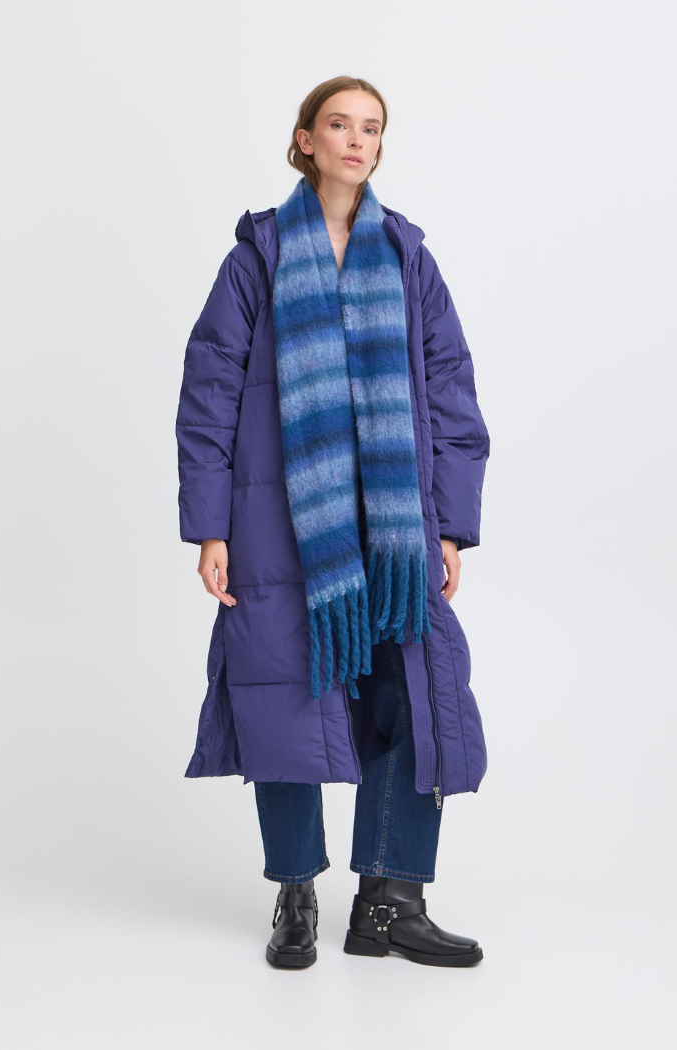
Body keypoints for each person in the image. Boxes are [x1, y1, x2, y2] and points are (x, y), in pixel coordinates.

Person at [175, 76, 491, 969]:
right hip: (281, 526)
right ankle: (296, 895)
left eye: (372, 128)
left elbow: (452, 393)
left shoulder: (408, 259)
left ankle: (389, 904)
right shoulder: (258, 260)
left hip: (392, 535)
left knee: (414, 698)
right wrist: (211, 528)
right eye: (340, 124)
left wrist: (448, 527)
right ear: (306, 139)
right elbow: (209, 395)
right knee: (285, 701)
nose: (357, 140)